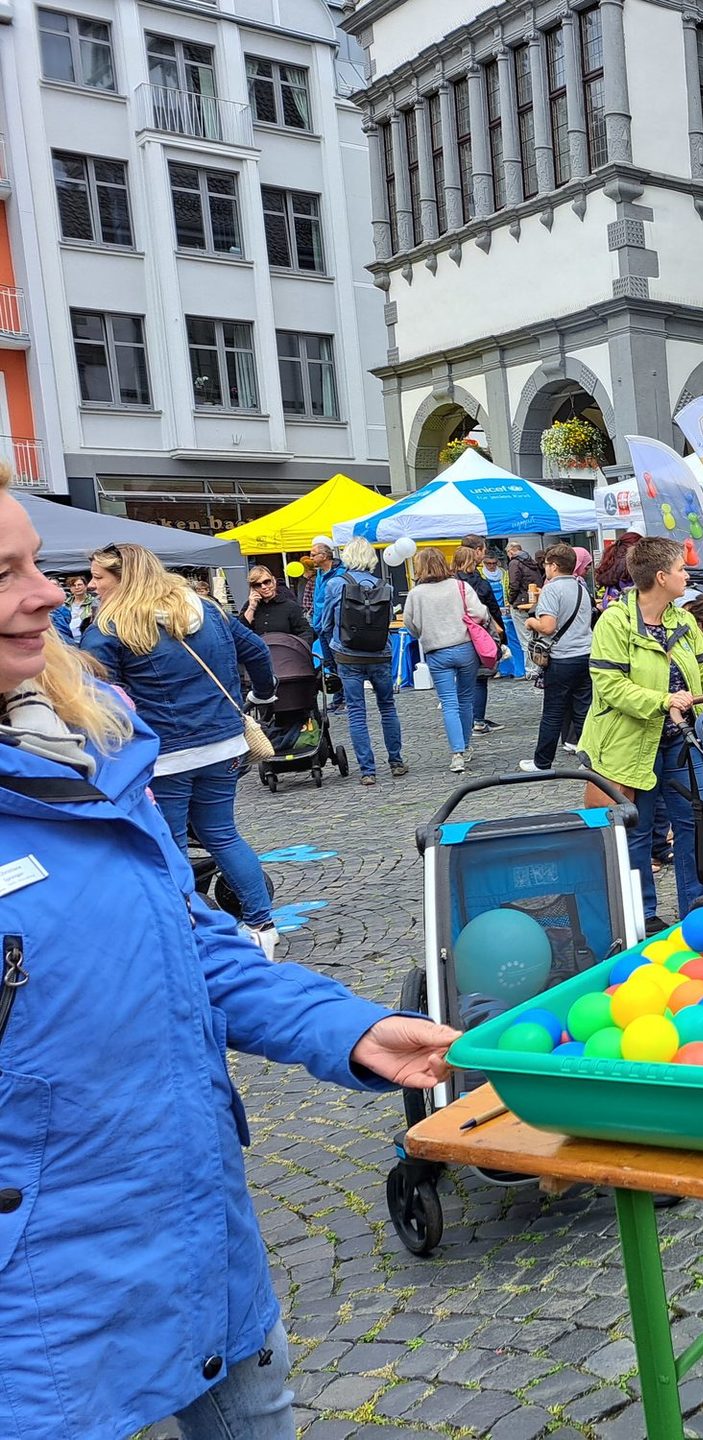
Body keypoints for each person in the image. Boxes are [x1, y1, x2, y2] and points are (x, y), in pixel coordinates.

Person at [0, 471, 460, 1440]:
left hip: (204, 1251)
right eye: (7, 574)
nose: (48, 593)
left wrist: (349, 1027)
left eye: (37, 563)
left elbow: (185, 941)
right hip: (43, 1320)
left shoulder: (81, 739)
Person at [81, 541, 281, 955]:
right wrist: (262, 696)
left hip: (164, 754)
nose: (92, 584)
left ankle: (188, 933)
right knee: (222, 834)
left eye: (98, 576)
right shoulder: (207, 609)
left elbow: (93, 694)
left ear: (124, 578)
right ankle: (262, 925)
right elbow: (258, 651)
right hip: (223, 745)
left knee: (168, 845)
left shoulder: (111, 628)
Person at [575, 536, 703, 928]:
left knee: (693, 826)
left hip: (681, 742)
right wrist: (663, 701)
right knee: (638, 831)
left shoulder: (683, 620)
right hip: (628, 745)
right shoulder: (615, 621)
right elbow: (610, 685)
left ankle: (697, 907)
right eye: (680, 569)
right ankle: (642, 916)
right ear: (661, 577)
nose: (686, 575)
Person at [320, 538, 407, 785]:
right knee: (387, 707)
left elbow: (325, 623)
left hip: (348, 655)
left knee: (357, 712)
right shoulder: (384, 586)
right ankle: (396, 761)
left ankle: (368, 770)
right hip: (380, 653)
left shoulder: (336, 584)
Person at [402, 546, 490, 773]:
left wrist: (425, 632)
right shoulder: (460, 586)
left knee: (449, 702)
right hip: (465, 647)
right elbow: (480, 613)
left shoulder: (416, 594)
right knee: (466, 699)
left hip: (437, 651)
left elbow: (410, 624)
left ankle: (457, 753)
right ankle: (466, 744)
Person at [520, 542, 595, 774]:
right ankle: (590, 760)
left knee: (553, 712)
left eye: (546, 565)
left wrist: (531, 622)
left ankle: (542, 762)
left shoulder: (552, 589)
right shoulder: (582, 587)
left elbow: (548, 626)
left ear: (553, 566)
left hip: (562, 658)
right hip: (586, 654)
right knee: (583, 711)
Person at [454, 544, 506, 734]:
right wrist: (501, 636)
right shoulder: (481, 583)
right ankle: (477, 719)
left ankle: (463, 720)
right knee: (480, 679)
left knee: (461, 679)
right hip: (480, 634)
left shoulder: (450, 583)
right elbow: (492, 610)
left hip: (456, 635)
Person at [305, 536, 346, 709]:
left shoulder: (340, 573)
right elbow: (318, 600)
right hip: (321, 625)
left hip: (334, 625)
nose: (311, 557)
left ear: (324, 555)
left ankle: (344, 698)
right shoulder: (320, 575)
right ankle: (338, 698)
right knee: (330, 663)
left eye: (314, 554)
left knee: (339, 662)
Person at [241, 567, 310, 640]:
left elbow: (305, 632)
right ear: (253, 588)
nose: (264, 587)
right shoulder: (249, 606)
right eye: (257, 585)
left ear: (274, 580)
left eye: (267, 582)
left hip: (283, 646)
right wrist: (252, 607)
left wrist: (295, 646)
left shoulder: (290, 606)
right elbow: (240, 632)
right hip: (257, 647)